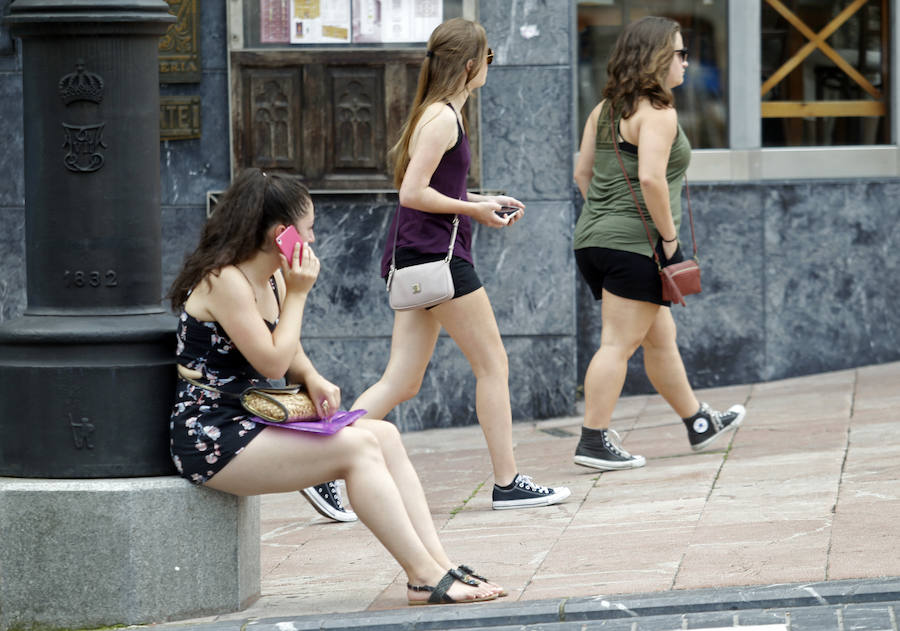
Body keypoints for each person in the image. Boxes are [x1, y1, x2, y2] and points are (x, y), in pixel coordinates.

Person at [167, 168, 505, 605]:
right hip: (210, 434)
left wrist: (311, 376)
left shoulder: (273, 274)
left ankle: (438, 564)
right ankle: (422, 577)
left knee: (382, 434)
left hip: (251, 417)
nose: (312, 238)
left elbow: (286, 352)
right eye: (307, 229)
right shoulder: (225, 279)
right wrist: (301, 295)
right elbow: (270, 360)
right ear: (278, 233)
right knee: (357, 450)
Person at [343, 17, 570, 511]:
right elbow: (411, 192)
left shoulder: (440, 113)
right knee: (493, 365)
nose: (490, 66)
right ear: (470, 65)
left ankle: (321, 464)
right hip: (436, 259)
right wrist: (473, 209)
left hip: (420, 255)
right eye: (487, 58)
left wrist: (482, 201)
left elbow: (434, 187)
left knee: (402, 381)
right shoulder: (442, 117)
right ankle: (507, 482)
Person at [571, 16, 746, 471]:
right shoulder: (659, 113)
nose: (687, 63)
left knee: (660, 338)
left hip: (592, 240)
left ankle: (697, 421)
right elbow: (650, 178)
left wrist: (608, 222)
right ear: (657, 59)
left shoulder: (604, 109)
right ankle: (593, 439)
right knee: (616, 344)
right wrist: (668, 241)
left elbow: (581, 174)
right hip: (635, 245)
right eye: (681, 54)